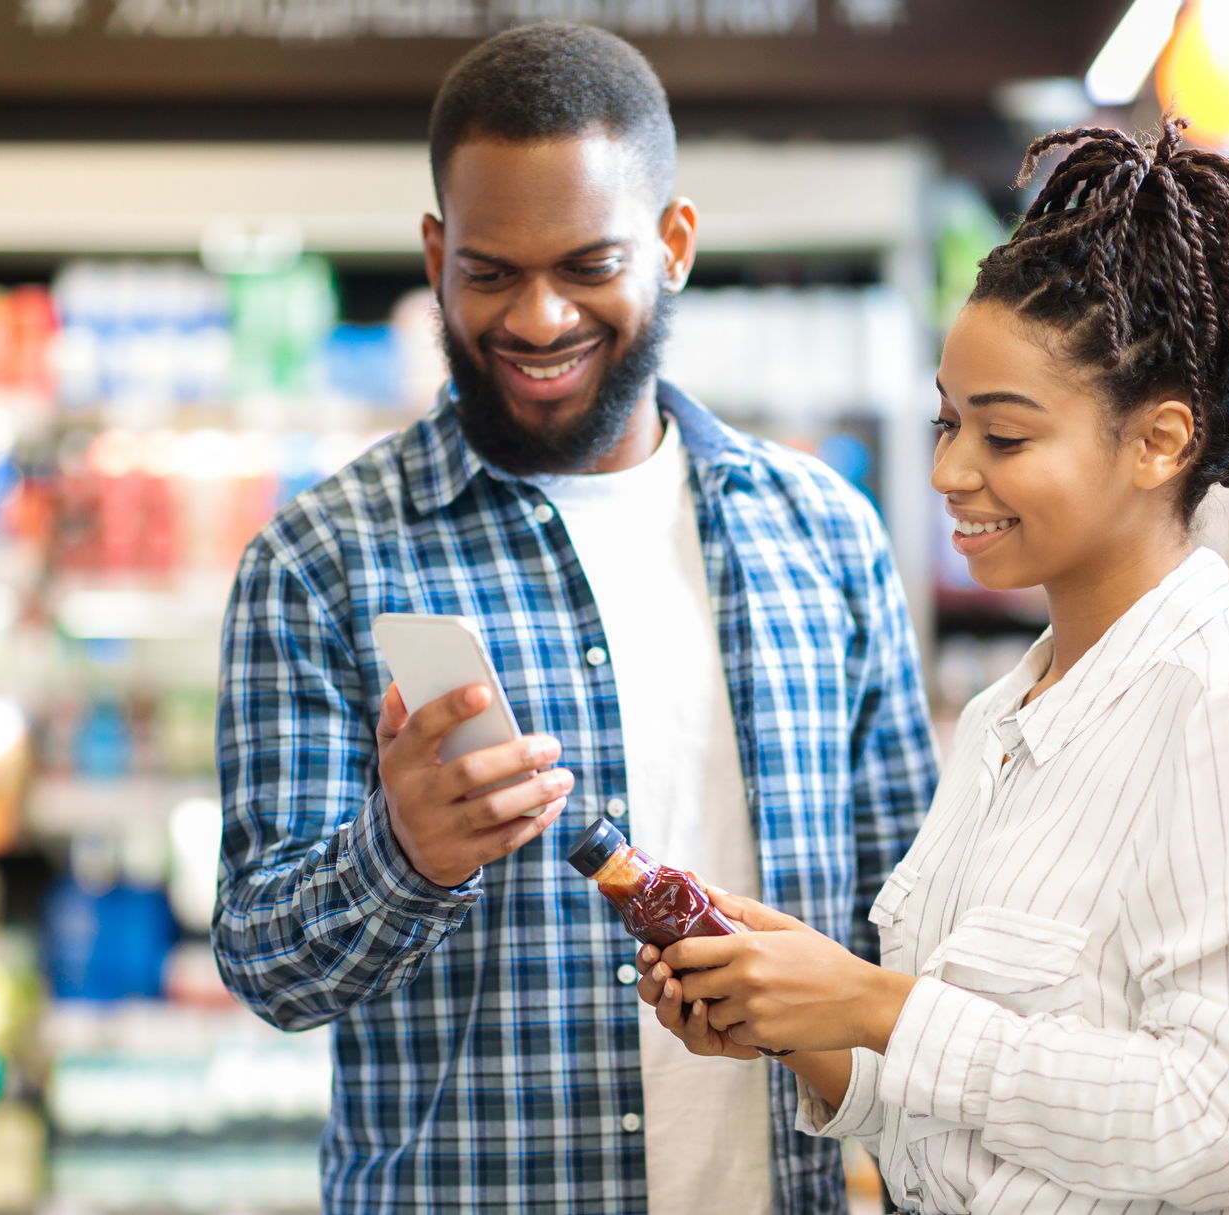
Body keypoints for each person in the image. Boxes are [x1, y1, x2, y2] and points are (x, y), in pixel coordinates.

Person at [212, 21, 937, 1215]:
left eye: (588, 267)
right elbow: (264, 965)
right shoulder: (322, 559)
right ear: (436, 255)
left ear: (673, 244)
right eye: (490, 272)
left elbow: (910, 929)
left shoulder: (821, 535)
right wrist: (402, 858)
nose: (539, 319)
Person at [636, 120, 1229, 1215]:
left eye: (1004, 437)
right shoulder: (1001, 715)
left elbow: (1228, 1132)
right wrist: (799, 1023)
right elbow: (956, 1110)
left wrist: (879, 1005)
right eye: (945, 422)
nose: (947, 471)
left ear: (1159, 442)